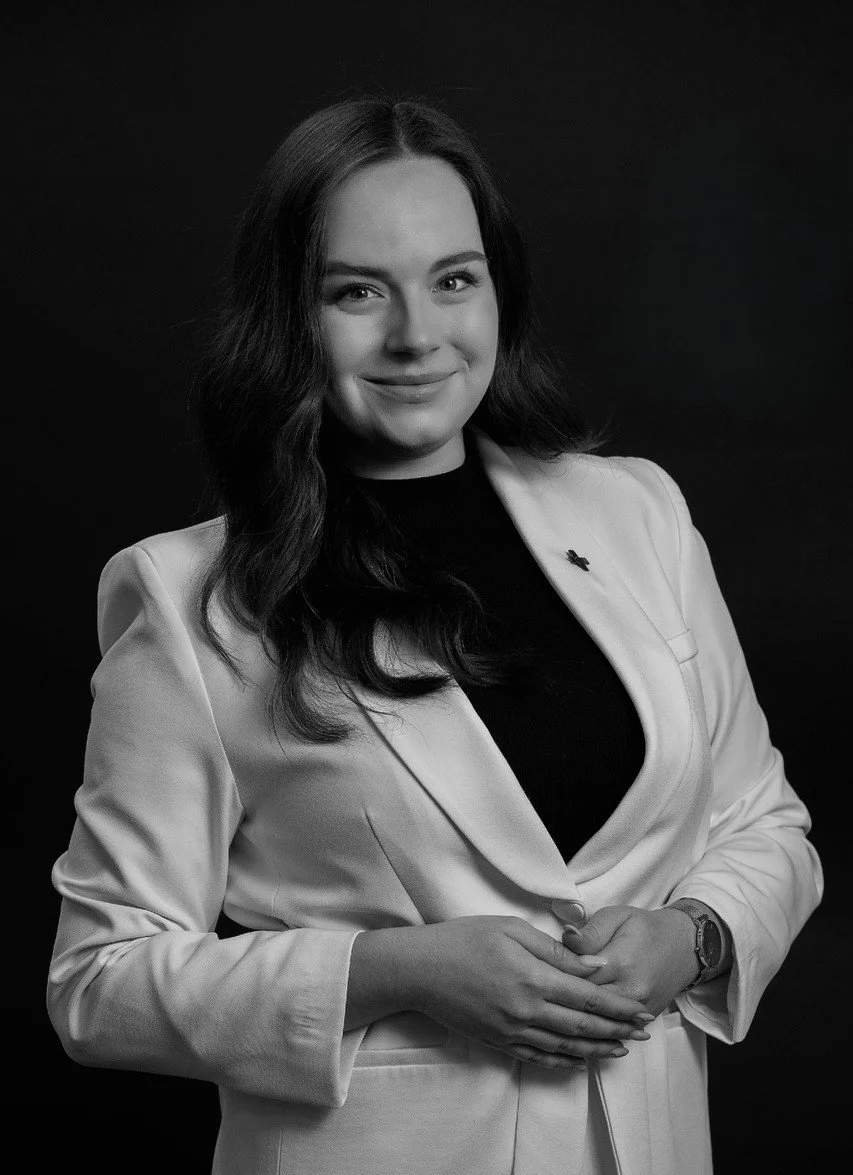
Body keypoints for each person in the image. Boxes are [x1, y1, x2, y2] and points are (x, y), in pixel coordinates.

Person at [47, 96, 823, 1175]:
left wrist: (692, 935)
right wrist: (397, 970)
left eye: (453, 279)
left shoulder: (636, 511)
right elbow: (99, 982)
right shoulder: (187, 600)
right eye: (358, 292)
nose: (417, 334)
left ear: (496, 288)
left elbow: (765, 819)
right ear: (288, 315)